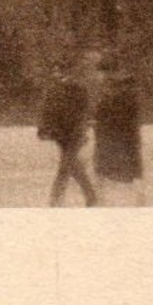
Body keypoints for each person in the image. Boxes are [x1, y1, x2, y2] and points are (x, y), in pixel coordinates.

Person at [39, 59, 98, 207]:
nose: (57, 73)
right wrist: (44, 128)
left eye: (59, 70)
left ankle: (55, 200)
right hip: (62, 133)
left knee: (66, 166)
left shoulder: (76, 89)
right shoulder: (54, 89)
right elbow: (47, 111)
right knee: (72, 165)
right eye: (56, 71)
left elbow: (84, 110)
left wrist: (82, 127)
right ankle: (91, 196)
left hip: (73, 132)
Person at [94, 64, 145, 205]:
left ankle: (100, 190)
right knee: (132, 163)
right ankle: (137, 191)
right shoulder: (126, 98)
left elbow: (106, 114)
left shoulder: (113, 96)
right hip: (123, 134)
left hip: (113, 134)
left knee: (104, 162)